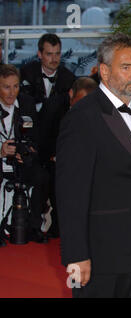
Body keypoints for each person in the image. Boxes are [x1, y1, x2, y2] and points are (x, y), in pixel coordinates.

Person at [56, 33, 131, 298]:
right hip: (101, 255)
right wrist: (76, 256)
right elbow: (71, 194)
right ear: (104, 71)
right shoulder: (83, 117)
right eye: (125, 67)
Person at [38, 77, 98, 238]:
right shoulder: (53, 108)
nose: (84, 108)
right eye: (80, 102)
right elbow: (41, 141)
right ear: (71, 94)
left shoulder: (98, 113)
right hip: (54, 162)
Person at [0, 64, 49, 243]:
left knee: (41, 176)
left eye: (16, 86)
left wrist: (28, 151)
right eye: (6, 87)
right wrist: (1, 151)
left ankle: (34, 227)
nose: (12, 92)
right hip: (1, 160)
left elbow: (35, 137)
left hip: (22, 161)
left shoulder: (27, 103)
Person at [20, 33, 75, 113]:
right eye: (49, 54)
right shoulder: (27, 73)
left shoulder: (69, 78)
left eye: (57, 54)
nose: (54, 59)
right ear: (39, 54)